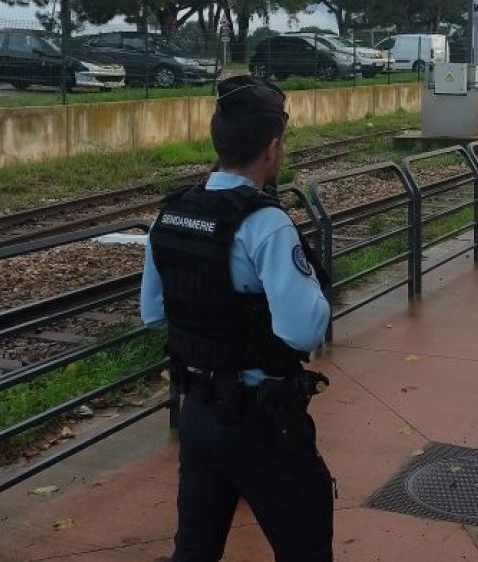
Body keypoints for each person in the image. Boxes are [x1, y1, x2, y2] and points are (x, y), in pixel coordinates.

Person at [140, 75, 334, 562]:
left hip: (199, 415)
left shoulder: (173, 214)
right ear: (272, 149)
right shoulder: (265, 223)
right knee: (305, 547)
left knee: (195, 551)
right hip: (261, 422)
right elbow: (303, 330)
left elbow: (152, 312)